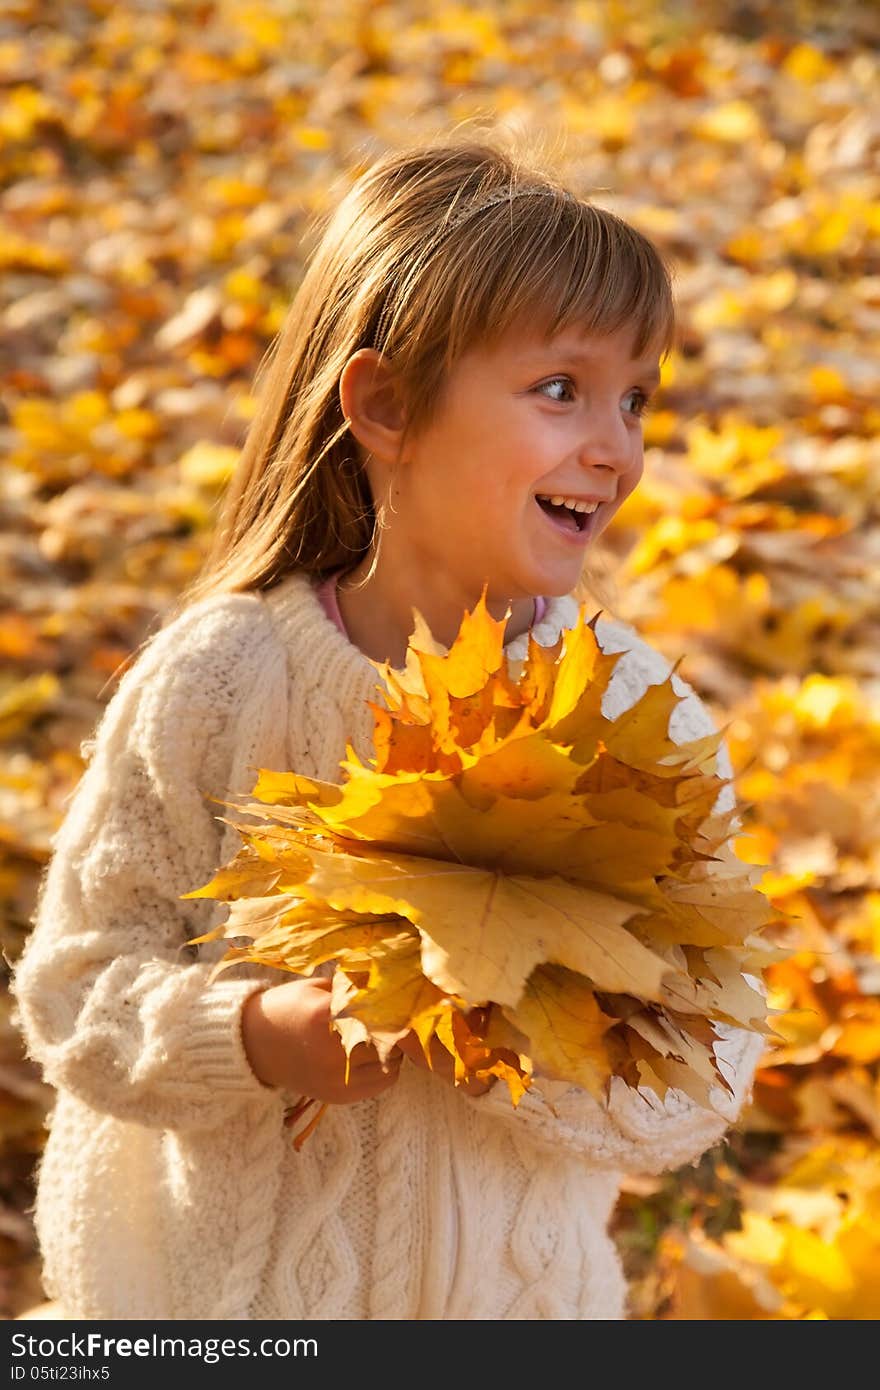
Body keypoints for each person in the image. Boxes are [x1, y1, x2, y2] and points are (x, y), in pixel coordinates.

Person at [11, 130, 766, 1322]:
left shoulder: (634, 717)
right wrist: (255, 1032)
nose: (613, 444)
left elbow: (708, 1070)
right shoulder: (221, 680)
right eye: (559, 389)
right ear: (387, 406)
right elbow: (74, 992)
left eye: (635, 398)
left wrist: (523, 1031)